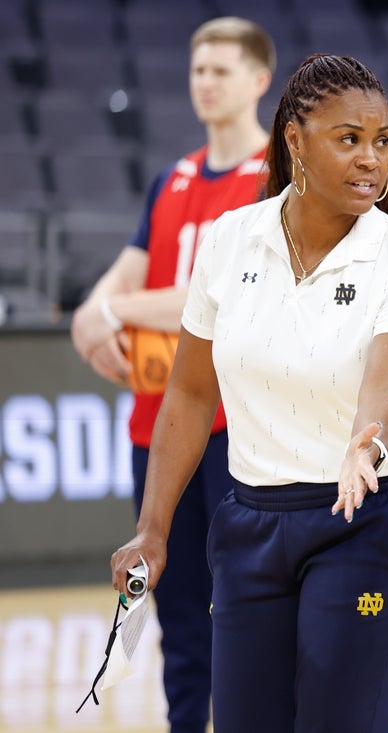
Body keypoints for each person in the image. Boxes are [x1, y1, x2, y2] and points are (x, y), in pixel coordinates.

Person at [108, 53, 388, 733]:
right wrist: (153, 528)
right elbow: (189, 394)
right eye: (348, 139)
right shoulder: (231, 240)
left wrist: (366, 445)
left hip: (369, 519)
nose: (371, 159)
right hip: (252, 523)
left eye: (381, 141)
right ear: (295, 139)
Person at [70, 17, 276, 733]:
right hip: (157, 424)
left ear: (258, 80)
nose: (205, 83)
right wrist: (89, 316)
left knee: (242, 606)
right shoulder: (172, 179)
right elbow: (118, 281)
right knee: (173, 603)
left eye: (221, 70)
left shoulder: (274, 180)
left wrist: (113, 309)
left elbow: (215, 292)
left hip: (232, 429)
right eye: (197, 70)